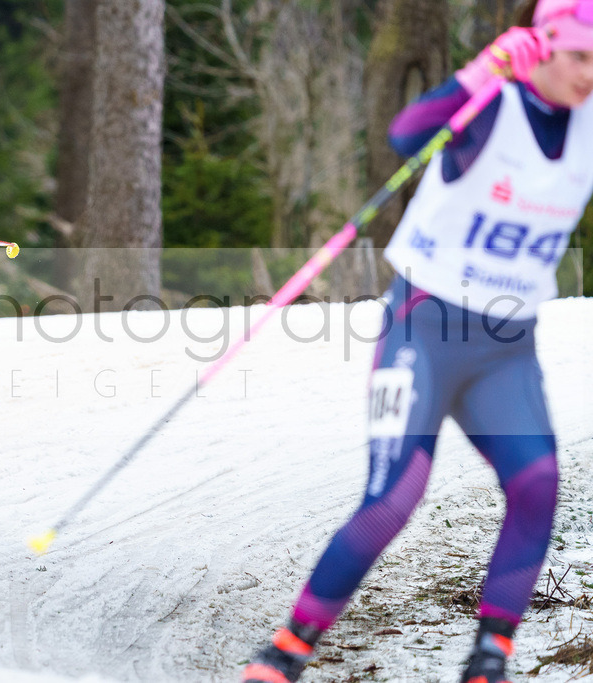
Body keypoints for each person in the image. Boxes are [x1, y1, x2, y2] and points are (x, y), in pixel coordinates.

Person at [242, 1, 593, 682]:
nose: (589, 74)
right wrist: (483, 73)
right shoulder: (492, 106)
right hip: (425, 328)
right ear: (538, 47)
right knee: (394, 498)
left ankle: (491, 654)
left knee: (537, 483)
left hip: (505, 347)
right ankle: (289, 648)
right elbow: (407, 135)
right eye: (579, 56)